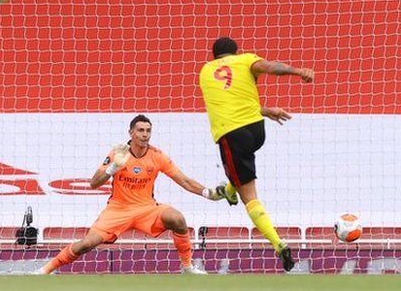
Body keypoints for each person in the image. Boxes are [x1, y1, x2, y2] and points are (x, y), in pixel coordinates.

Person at [36, 114, 223, 275]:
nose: (145, 134)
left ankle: (188, 267)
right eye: (140, 130)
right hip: (118, 209)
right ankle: (45, 270)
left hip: (147, 208)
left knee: (178, 220)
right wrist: (114, 167)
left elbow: (185, 181)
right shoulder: (119, 153)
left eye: (148, 131)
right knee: (87, 243)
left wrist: (209, 193)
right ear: (131, 133)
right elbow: (94, 183)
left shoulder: (158, 156)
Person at [198, 37, 314, 271]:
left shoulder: (205, 72)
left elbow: (228, 103)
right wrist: (298, 71)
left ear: (215, 56)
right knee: (239, 174)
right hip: (256, 129)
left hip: (232, 135)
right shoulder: (246, 60)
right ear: (235, 52)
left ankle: (279, 244)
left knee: (248, 195)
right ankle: (227, 190)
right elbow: (271, 67)